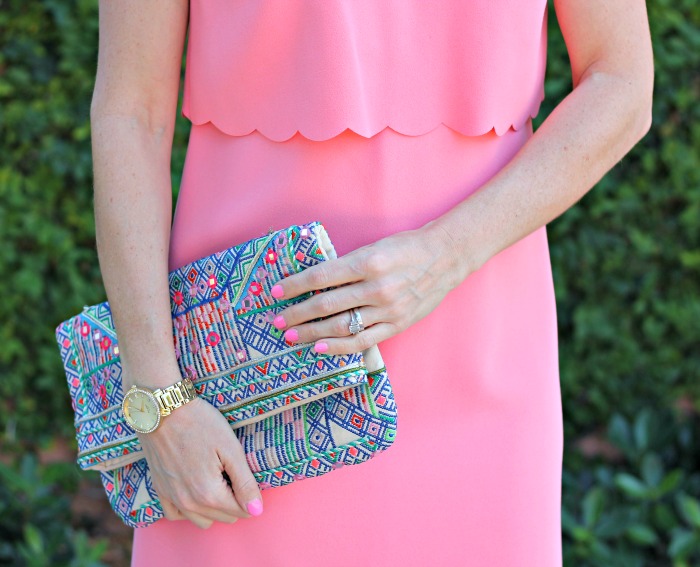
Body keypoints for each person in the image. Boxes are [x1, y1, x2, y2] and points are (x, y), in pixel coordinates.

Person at [90, 0, 653, 565]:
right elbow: (131, 113)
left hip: (480, 356)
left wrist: (448, 253)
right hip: (244, 386)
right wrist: (158, 398)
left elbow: (621, 81)